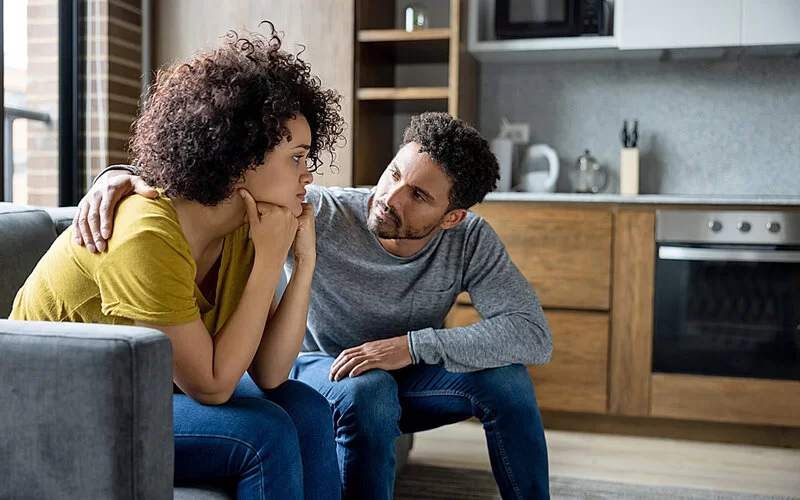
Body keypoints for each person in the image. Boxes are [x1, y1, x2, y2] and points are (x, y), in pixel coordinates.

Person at [78, 112, 554, 500]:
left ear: (452, 217)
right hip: (316, 369)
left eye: (419, 196)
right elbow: (215, 185)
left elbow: (531, 334)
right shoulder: (321, 211)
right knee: (368, 391)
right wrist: (119, 176)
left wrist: (410, 347)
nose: (389, 198)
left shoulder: (471, 241)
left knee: (508, 381)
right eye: (393, 174)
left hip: (405, 373)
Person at [11, 24, 345, 500]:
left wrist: (303, 264)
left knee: (308, 409)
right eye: (295, 157)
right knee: (265, 432)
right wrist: (271, 259)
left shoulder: (244, 230)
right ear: (239, 156)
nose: (308, 173)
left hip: (142, 390)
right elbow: (212, 387)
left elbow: (270, 372)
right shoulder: (144, 232)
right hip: (53, 405)